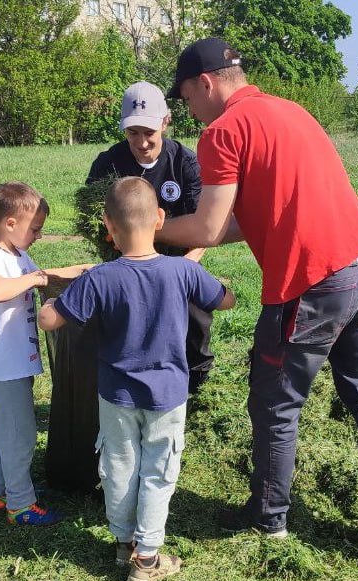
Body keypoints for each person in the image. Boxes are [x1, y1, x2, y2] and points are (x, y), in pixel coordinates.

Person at [157, 38, 358, 549]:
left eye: (187, 99)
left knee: (275, 401)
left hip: (315, 281)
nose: (190, 112)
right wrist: (187, 229)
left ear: (206, 83)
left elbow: (205, 226)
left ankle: (269, 517)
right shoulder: (291, 112)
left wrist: (153, 230)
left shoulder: (222, 132)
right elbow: (245, 220)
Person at [38, 177, 236, 581]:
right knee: (159, 470)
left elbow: (51, 320)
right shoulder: (182, 271)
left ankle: (123, 542)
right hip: (167, 396)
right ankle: (146, 559)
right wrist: (208, 283)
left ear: (108, 227)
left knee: (119, 465)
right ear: (160, 218)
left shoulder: (100, 278)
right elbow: (226, 300)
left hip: (116, 396)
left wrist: (53, 303)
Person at [0, 181, 88, 527]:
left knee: (9, 430)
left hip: (15, 364)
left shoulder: (20, 255)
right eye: (34, 228)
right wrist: (35, 279)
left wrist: (83, 271)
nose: (38, 235)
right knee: (21, 434)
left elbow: (43, 276)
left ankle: (2, 492)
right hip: (1, 365)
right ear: (10, 223)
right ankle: (21, 506)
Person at [87, 81, 214, 395]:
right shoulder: (108, 164)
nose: (142, 143)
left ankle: (196, 382)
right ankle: (126, 378)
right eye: (133, 133)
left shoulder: (185, 164)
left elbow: (203, 226)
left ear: (165, 122)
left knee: (194, 316)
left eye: (149, 132)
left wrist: (183, 270)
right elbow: (94, 221)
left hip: (178, 260)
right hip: (126, 260)